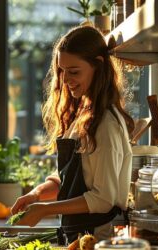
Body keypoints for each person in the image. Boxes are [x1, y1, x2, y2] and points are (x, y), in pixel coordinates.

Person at [11, 25, 134, 243]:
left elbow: (103, 199)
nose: (66, 80)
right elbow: (71, 177)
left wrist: (44, 210)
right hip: (78, 235)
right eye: (62, 71)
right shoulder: (85, 114)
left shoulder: (106, 124)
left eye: (74, 71)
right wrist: (36, 195)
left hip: (98, 239)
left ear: (98, 65)